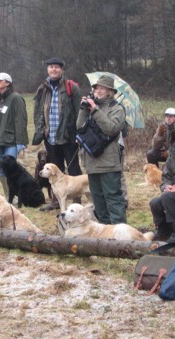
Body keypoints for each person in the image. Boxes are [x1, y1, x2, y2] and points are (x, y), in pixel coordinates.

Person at [32, 57, 82, 211]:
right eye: (51, 67)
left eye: (57, 67)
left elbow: (80, 112)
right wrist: (40, 129)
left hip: (68, 137)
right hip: (50, 137)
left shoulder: (71, 87)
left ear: (62, 70)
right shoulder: (43, 88)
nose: (54, 69)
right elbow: (37, 111)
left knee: (73, 169)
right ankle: (56, 202)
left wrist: (78, 134)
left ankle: (76, 203)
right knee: (54, 170)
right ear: (47, 69)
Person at [76, 75, 126, 224]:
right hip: (91, 161)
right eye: (96, 87)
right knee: (98, 200)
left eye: (102, 88)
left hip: (109, 162)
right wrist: (84, 109)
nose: (98, 90)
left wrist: (95, 110)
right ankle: (105, 231)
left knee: (113, 198)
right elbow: (79, 127)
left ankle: (120, 232)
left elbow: (111, 129)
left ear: (110, 91)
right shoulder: (91, 107)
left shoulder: (117, 109)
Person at [0, 72, 29, 199]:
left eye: (0, 80)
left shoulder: (16, 98)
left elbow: (21, 120)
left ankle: (15, 196)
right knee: (1, 169)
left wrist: (20, 141)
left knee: (11, 168)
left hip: (11, 141)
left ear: (8, 83)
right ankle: (7, 196)